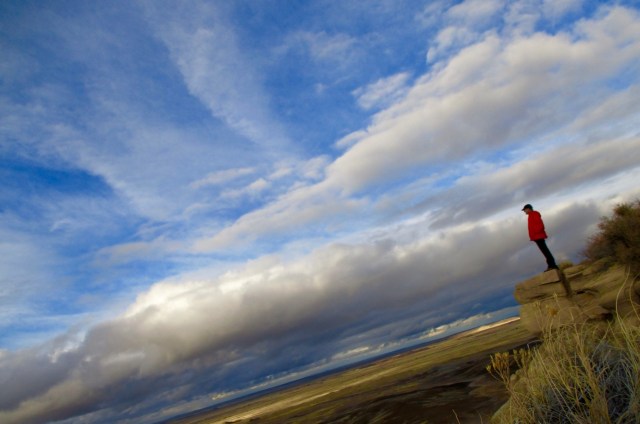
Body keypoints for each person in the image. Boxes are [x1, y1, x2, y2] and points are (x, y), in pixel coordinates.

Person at [522, 204, 558, 272]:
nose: (524, 211)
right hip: (536, 237)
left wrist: (536, 232)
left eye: (525, 210)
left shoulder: (534, 214)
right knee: (544, 251)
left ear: (528, 209)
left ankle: (552, 265)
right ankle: (551, 265)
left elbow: (540, 224)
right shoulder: (531, 215)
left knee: (545, 251)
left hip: (538, 236)